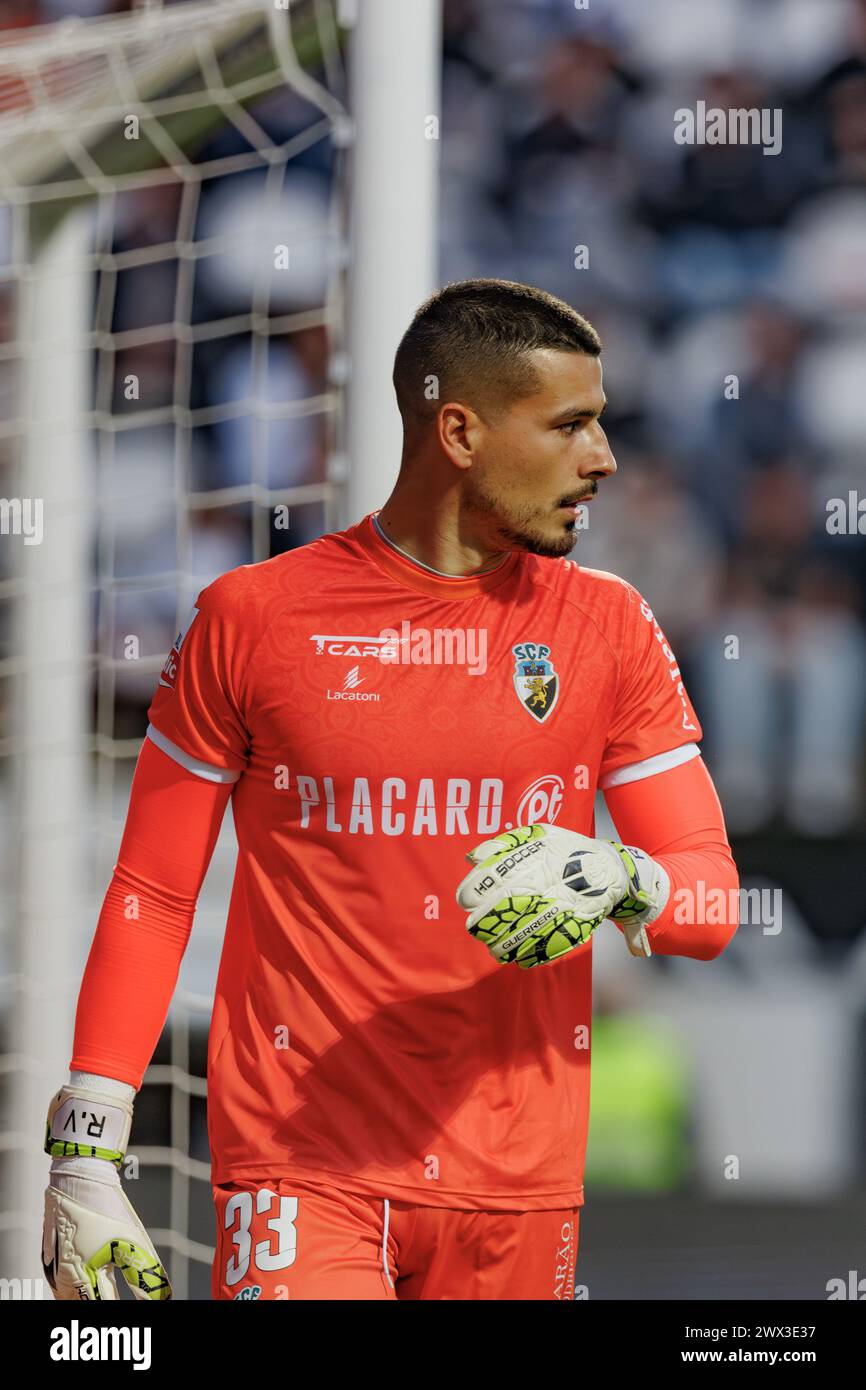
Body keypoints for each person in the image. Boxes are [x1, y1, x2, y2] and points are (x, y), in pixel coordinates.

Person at [42, 279, 739, 1302]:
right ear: (457, 429)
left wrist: (620, 876)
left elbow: (711, 901)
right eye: (570, 425)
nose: (603, 459)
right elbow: (153, 889)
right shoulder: (252, 620)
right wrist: (86, 1148)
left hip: (516, 1184)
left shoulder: (610, 627)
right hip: (299, 1167)